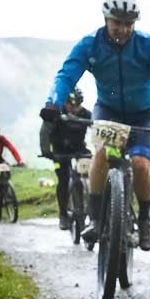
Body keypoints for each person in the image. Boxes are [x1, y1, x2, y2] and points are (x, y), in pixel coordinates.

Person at [40, 0, 150, 251]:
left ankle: (144, 220)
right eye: (117, 23)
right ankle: (96, 219)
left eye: (129, 24)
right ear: (106, 20)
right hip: (107, 110)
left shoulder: (148, 45)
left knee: (141, 164)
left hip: (143, 112)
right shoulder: (90, 45)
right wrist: (53, 103)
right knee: (102, 155)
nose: (123, 29)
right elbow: (67, 75)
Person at [39, 88, 93, 231]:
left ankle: (92, 210)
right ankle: (63, 214)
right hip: (59, 152)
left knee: (92, 173)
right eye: (70, 105)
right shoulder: (56, 114)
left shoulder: (87, 114)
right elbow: (45, 131)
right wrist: (46, 151)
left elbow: (97, 129)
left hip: (79, 149)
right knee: (63, 179)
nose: (74, 109)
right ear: (65, 103)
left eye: (77, 105)